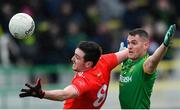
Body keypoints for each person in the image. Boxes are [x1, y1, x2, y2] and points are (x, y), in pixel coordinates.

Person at [19, 41, 128, 109]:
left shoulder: (85, 80)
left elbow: (64, 94)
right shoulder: (104, 61)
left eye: (77, 57)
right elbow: (128, 52)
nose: (72, 59)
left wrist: (42, 94)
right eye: (74, 55)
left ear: (88, 63)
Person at [119, 24, 176, 109]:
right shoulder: (127, 61)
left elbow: (153, 60)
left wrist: (165, 44)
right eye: (128, 43)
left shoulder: (144, 64)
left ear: (145, 45)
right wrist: (119, 56)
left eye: (134, 43)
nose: (129, 46)